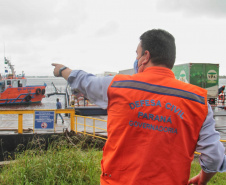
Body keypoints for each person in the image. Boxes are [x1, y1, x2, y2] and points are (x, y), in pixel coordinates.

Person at [52, 29, 226, 185]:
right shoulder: (197, 100)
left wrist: (62, 70)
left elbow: (84, 81)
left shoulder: (117, 86)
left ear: (146, 57)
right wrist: (203, 179)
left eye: (137, 54)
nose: (136, 59)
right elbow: (213, 156)